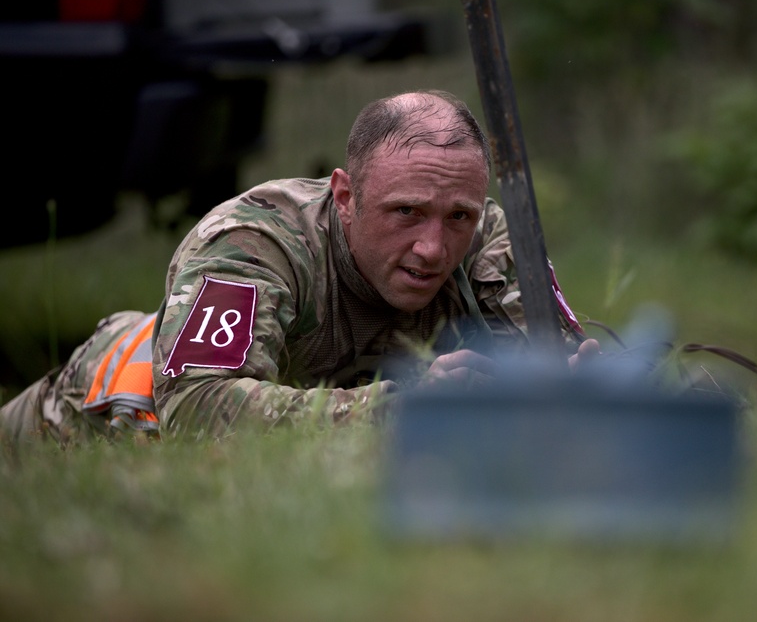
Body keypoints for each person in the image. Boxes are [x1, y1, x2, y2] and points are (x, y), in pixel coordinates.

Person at [1, 89, 600, 446]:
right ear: (345, 195)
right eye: (406, 212)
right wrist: (408, 407)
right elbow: (198, 407)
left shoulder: (487, 234)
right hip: (84, 419)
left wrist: (581, 383)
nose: (432, 248)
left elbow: (554, 373)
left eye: (457, 216)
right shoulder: (255, 240)